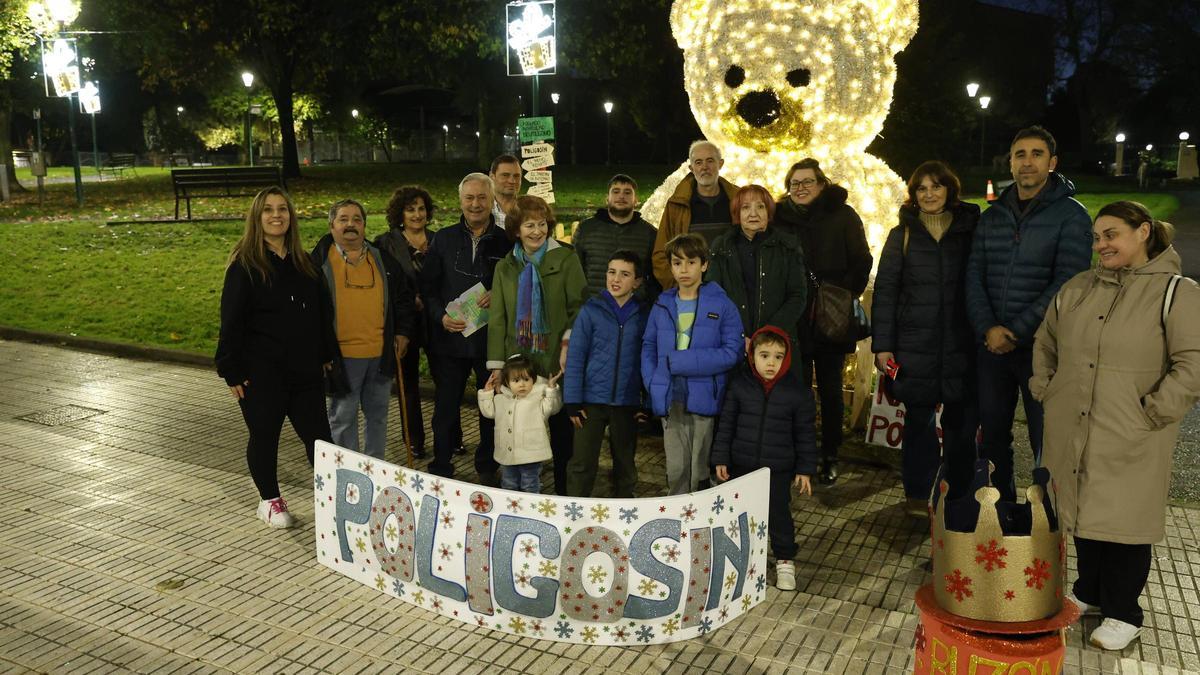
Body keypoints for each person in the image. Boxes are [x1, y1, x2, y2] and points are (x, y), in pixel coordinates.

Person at [1031, 201, 1199, 651]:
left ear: (1142, 232)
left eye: (1111, 235)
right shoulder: (1078, 287)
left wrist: (1155, 411)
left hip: (1132, 427)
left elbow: (1193, 362)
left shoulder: (1176, 292)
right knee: (1084, 509)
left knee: (1125, 519)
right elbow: (1045, 340)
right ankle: (1089, 592)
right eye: (1096, 237)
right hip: (1076, 421)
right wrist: (1045, 385)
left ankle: (1125, 611)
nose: (1100, 245)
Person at [966, 126, 1092, 501]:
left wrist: (1015, 331)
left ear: (1052, 163)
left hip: (1043, 349)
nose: (1027, 161)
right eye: (1020, 154)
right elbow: (973, 274)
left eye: (1037, 154)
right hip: (991, 349)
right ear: (1011, 161)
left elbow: (1067, 283)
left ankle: (1046, 522)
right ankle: (1000, 513)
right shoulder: (993, 215)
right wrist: (988, 327)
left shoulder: (1071, 216)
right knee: (992, 436)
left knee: (1046, 441)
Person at [215, 186, 333, 529]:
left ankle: (331, 498)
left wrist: (326, 355)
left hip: (305, 370)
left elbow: (321, 313)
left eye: (283, 209)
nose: (277, 215)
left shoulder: (304, 262)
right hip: (260, 372)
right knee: (265, 436)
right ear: (257, 217)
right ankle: (270, 501)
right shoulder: (245, 265)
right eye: (268, 210)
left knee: (320, 440)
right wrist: (231, 371)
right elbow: (231, 321)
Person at [871, 161, 980, 512]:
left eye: (936, 187)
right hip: (914, 344)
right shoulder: (901, 234)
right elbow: (886, 291)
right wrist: (883, 345)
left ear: (950, 189)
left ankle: (958, 493)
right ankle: (918, 493)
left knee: (960, 424)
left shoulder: (970, 228)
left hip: (961, 344)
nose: (929, 194)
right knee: (918, 422)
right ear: (914, 195)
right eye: (922, 188)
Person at [773, 158, 872, 485]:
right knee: (797, 389)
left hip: (830, 315)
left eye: (807, 182)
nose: (800, 188)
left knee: (830, 390)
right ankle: (800, 452)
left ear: (821, 184)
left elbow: (862, 259)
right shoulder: (780, 218)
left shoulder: (842, 215)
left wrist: (843, 295)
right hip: (795, 316)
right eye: (795, 183)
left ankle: (830, 454)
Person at [486, 195, 587, 495]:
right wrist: (497, 366)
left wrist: (568, 344)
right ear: (516, 230)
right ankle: (524, 494)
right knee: (522, 433)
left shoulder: (567, 259)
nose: (536, 231)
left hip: (557, 359)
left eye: (542, 224)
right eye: (529, 225)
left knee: (560, 433)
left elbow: (579, 307)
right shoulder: (506, 267)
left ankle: (563, 494)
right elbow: (498, 319)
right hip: (519, 365)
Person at [421, 173, 511, 483]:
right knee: (445, 409)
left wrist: (500, 295)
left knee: (489, 407)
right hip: (450, 339)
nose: (475, 204)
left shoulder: (505, 241)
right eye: (469, 198)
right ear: (460, 201)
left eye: (482, 198)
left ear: (492, 201)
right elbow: (428, 289)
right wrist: (440, 318)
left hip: (489, 341)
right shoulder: (442, 240)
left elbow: (516, 287)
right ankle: (441, 466)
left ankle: (487, 466)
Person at [712, 326, 816, 591]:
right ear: (752, 356)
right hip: (741, 465)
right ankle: (741, 559)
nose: (771, 363)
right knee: (739, 515)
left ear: (787, 359)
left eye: (778, 357)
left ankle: (784, 560)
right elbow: (726, 424)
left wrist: (804, 468)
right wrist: (721, 458)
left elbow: (805, 433)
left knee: (779, 515)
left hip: (777, 469)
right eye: (765, 355)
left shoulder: (796, 392)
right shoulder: (739, 386)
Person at [312, 199, 416, 460]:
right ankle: (348, 473)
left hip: (380, 354)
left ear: (364, 225)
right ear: (331, 225)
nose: (350, 225)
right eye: (343, 219)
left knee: (378, 417)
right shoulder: (317, 264)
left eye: (357, 219)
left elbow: (404, 296)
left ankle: (375, 470)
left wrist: (403, 332)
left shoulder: (383, 260)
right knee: (343, 418)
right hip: (342, 357)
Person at [642, 233, 744, 495]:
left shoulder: (722, 305)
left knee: (700, 467)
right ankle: (676, 520)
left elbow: (732, 352)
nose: (684, 269)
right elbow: (648, 346)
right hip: (669, 395)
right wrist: (653, 382)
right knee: (676, 466)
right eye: (677, 263)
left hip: (703, 396)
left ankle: (701, 521)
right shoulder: (662, 304)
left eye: (691, 262)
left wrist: (681, 361)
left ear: (704, 265)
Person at [563, 250, 650, 498]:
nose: (616, 279)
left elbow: (648, 359)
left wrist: (648, 402)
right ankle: (574, 513)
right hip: (590, 402)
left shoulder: (644, 315)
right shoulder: (591, 311)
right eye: (612, 272)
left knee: (625, 465)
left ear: (637, 281)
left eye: (625, 274)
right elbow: (576, 357)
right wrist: (572, 400)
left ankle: (624, 515)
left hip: (627, 402)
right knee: (582, 463)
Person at [706, 184, 808, 349]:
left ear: (769, 212)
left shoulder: (787, 246)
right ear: (738, 214)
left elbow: (797, 295)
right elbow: (713, 295)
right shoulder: (722, 246)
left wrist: (769, 333)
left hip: (777, 343)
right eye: (746, 207)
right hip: (735, 343)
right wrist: (737, 335)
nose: (753, 213)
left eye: (760, 207)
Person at [374, 185, 433, 460]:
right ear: (400, 213)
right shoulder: (385, 243)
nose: (417, 214)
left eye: (421, 208)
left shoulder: (438, 239)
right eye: (411, 209)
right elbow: (384, 284)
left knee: (446, 382)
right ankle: (414, 440)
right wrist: (411, 302)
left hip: (436, 321)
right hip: (404, 323)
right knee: (407, 384)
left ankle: (453, 436)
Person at [651, 141, 740, 290]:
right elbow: (661, 253)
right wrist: (678, 287)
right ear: (692, 168)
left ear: (721, 164)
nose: (704, 167)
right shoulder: (677, 204)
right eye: (698, 162)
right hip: (689, 292)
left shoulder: (738, 201)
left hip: (730, 291)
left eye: (710, 161)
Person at [478, 355, 564, 493]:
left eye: (526, 379)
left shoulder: (537, 400)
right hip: (507, 453)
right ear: (507, 381)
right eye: (516, 380)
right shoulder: (501, 398)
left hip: (531, 453)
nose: (522, 384)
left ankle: (530, 510)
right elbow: (488, 412)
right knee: (508, 484)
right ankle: (509, 509)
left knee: (530, 484)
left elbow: (553, 407)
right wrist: (487, 393)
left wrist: (551, 389)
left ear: (533, 380)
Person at [572, 174, 659, 300]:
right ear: (607, 198)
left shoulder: (649, 233)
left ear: (636, 200)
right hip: (594, 308)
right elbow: (575, 272)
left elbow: (654, 278)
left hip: (634, 311)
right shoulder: (586, 229)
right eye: (616, 191)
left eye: (627, 192)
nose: (621, 196)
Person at [490, 155, 522, 229]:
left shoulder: (528, 210)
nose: (512, 181)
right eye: (505, 175)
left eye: (516, 176)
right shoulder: (481, 210)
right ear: (492, 177)